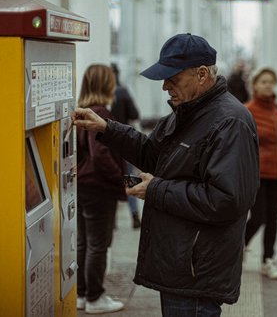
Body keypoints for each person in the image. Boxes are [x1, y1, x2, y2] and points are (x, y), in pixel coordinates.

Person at [72, 33, 260, 317]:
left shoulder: (230, 123)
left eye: (172, 78)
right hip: (180, 262)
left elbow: (227, 199)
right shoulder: (186, 113)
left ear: (201, 74)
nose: (164, 86)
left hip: (196, 272)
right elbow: (151, 154)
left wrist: (155, 190)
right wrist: (107, 129)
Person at [76, 64, 126, 314]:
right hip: (99, 188)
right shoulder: (101, 114)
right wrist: (123, 181)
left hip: (83, 186)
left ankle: (82, 294)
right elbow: (101, 155)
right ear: (106, 84)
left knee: (84, 242)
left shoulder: (82, 112)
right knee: (98, 244)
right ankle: (95, 297)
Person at [244, 67, 277, 279]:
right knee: (258, 216)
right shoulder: (247, 111)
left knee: (273, 218)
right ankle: (240, 244)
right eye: (264, 82)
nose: (268, 85)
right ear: (255, 85)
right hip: (257, 175)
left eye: (271, 82)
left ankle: (268, 259)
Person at [110, 63, 142, 229]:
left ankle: (112, 219)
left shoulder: (102, 95)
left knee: (112, 178)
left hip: (107, 145)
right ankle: (135, 215)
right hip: (124, 143)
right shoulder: (122, 92)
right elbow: (135, 114)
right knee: (130, 179)